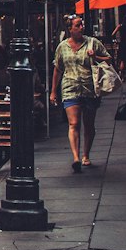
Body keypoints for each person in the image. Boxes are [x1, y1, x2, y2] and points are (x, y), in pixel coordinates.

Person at [51, 16, 108, 172]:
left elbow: (108, 60)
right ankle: (76, 157)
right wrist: (53, 91)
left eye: (82, 24)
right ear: (70, 29)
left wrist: (95, 56)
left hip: (90, 89)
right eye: (78, 25)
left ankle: (86, 155)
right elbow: (57, 68)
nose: (81, 27)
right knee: (74, 123)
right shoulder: (62, 47)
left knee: (88, 125)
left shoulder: (92, 43)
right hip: (70, 88)